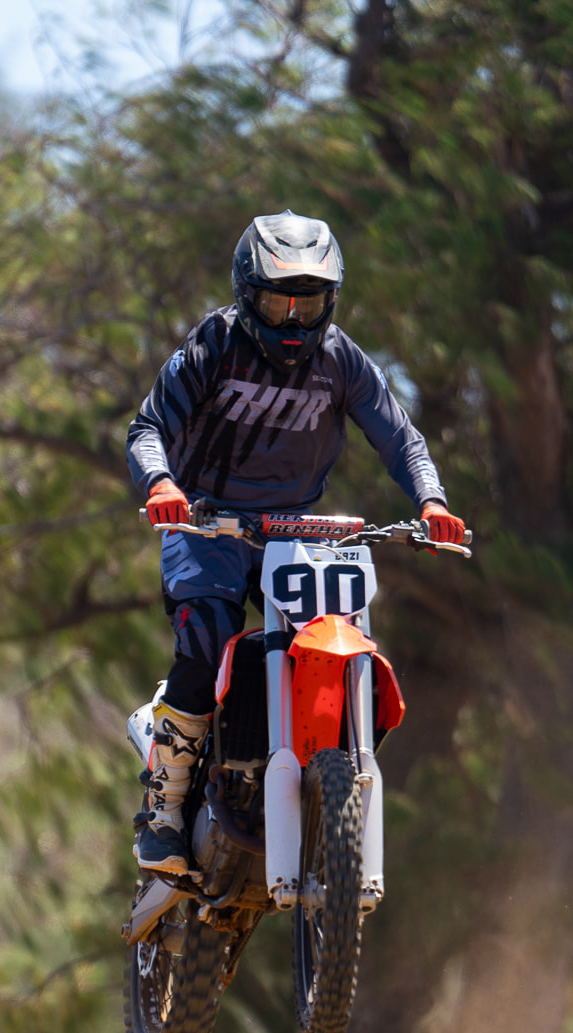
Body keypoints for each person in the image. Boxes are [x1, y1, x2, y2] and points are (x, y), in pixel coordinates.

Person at [127, 210, 468, 874]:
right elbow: (147, 427)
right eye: (276, 300)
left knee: (336, 641)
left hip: (297, 534)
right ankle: (164, 811)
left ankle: (318, 770)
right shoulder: (212, 345)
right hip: (206, 523)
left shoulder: (341, 359)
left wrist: (431, 499)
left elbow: (400, 438)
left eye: (306, 301)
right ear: (244, 291)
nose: (290, 319)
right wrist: (161, 482)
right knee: (204, 642)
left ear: (329, 300)